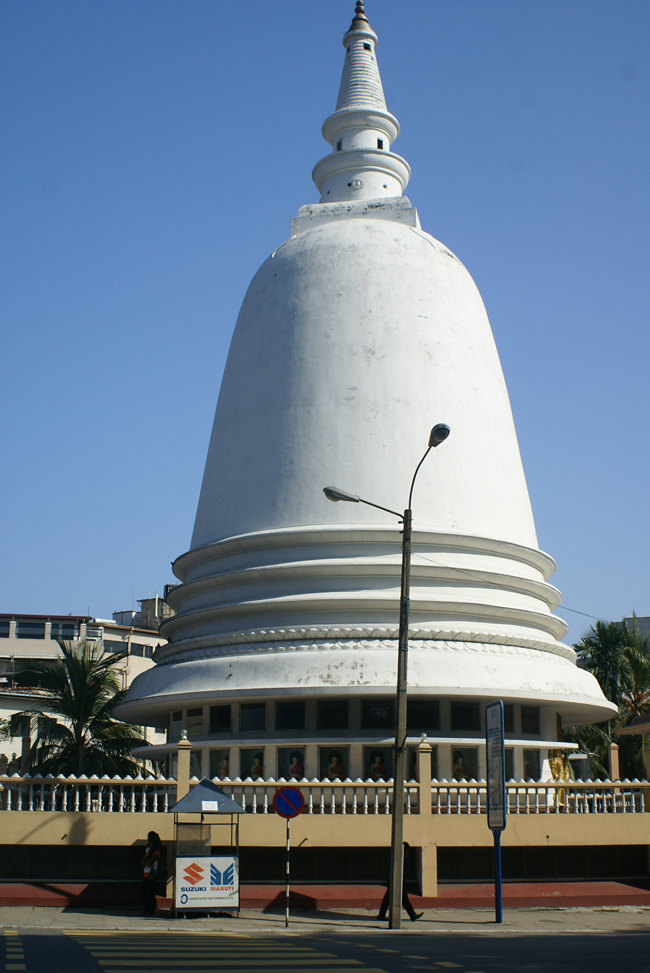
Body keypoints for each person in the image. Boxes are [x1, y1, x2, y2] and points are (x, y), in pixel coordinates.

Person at [376, 843, 423, 922]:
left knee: (388, 898)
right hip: (396, 879)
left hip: (395, 879)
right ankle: (412, 915)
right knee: (403, 898)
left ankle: (381, 915)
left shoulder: (399, 858)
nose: (408, 854)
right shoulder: (398, 858)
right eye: (407, 852)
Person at [141, 830, 162, 914]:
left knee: (150, 892)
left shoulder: (156, 850)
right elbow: (143, 861)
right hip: (145, 873)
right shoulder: (147, 849)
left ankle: (150, 909)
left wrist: (146, 863)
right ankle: (147, 908)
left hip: (152, 874)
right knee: (144, 892)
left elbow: (151, 862)